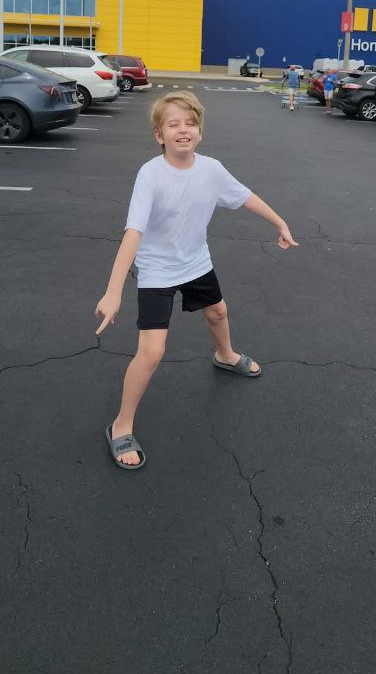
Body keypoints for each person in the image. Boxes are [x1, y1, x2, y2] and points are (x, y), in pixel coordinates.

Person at [95, 90, 299, 470]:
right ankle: (121, 425)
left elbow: (245, 197)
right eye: (173, 124)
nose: (183, 130)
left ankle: (225, 355)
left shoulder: (212, 170)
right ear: (160, 135)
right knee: (153, 352)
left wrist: (280, 222)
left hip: (195, 262)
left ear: (200, 132)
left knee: (218, 312)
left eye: (190, 124)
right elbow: (133, 233)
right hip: (156, 269)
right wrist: (113, 291)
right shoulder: (150, 175)